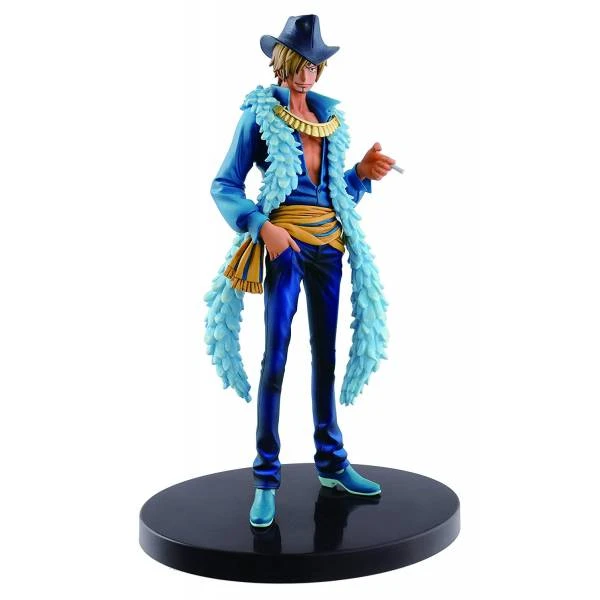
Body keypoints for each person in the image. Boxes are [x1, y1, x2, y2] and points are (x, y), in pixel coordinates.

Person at [206, 15, 395, 528]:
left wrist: (360, 173)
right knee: (276, 356)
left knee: (325, 357)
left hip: (329, 246)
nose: (306, 75)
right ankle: (266, 478)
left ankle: (331, 463)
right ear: (282, 63)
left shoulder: (328, 120)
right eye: (299, 65)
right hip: (284, 248)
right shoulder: (260, 116)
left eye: (314, 66)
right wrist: (261, 226)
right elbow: (224, 184)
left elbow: (335, 195)